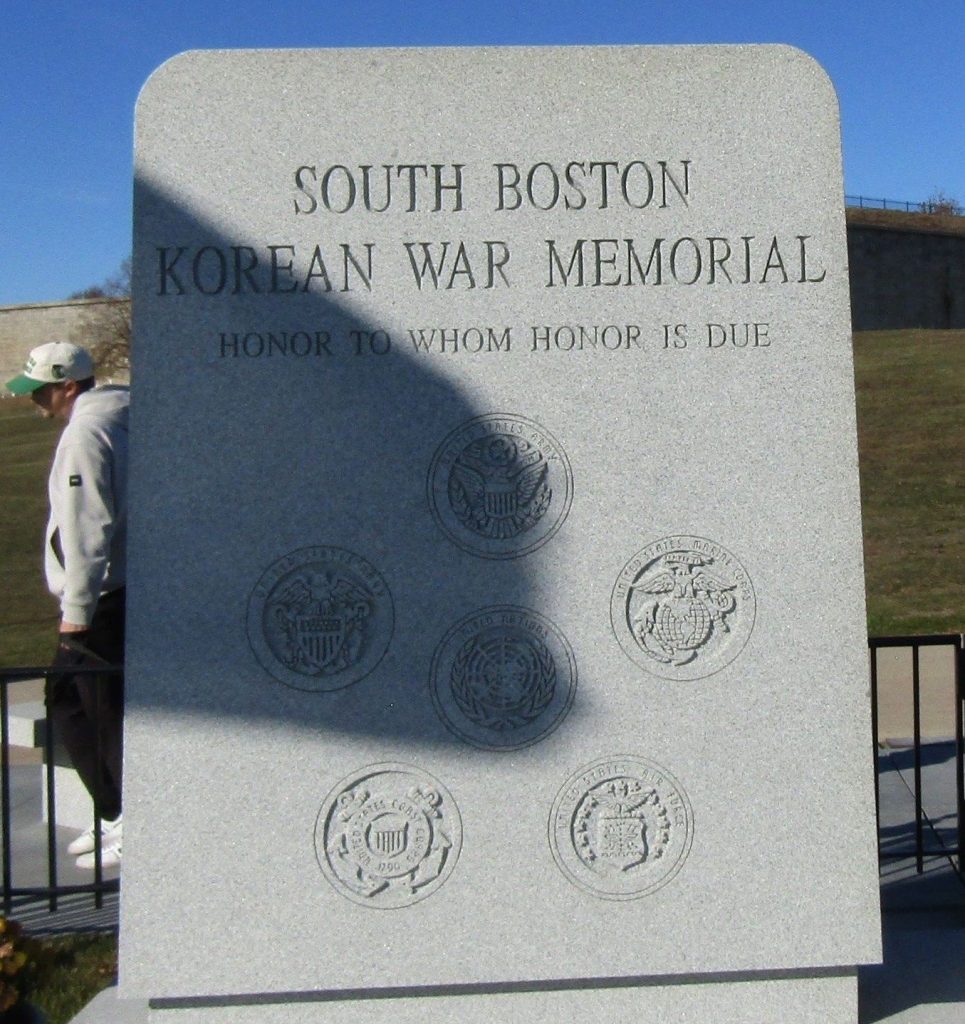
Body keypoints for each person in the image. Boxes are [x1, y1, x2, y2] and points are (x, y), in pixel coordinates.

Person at [5, 341, 128, 869]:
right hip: (117, 591)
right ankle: (115, 811)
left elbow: (86, 525)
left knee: (100, 712)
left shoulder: (84, 433)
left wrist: (75, 609)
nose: (35, 401)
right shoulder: (119, 415)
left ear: (68, 386)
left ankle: (130, 818)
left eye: (40, 391)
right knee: (72, 703)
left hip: (100, 599)